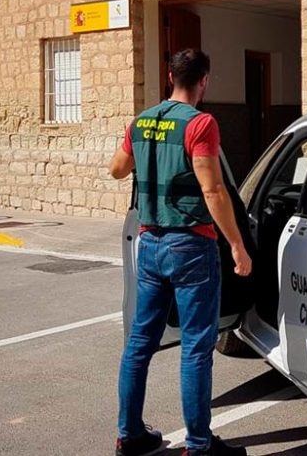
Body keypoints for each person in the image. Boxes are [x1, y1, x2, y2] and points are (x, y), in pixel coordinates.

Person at [109, 49, 252, 456]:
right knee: (196, 348)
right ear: (204, 81)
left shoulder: (141, 121)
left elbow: (117, 170)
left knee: (140, 343)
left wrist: (141, 149)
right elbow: (213, 190)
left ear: (170, 77)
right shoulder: (201, 124)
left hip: (149, 244)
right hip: (191, 246)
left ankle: (130, 436)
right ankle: (199, 445)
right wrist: (238, 245)